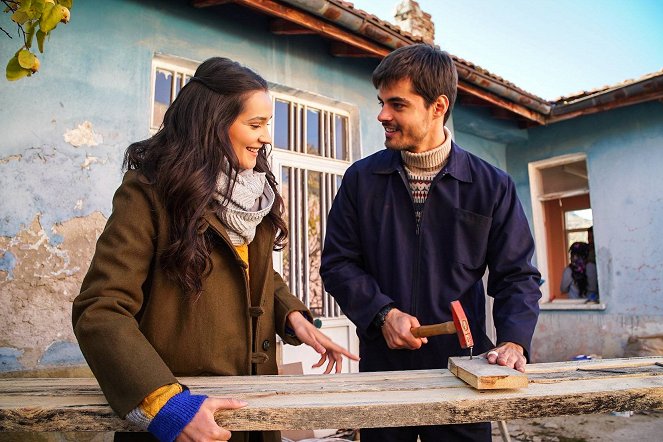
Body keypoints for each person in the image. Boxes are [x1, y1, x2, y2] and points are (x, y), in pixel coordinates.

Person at [72, 57, 358, 442]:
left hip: (255, 414)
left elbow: (254, 276)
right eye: (255, 125)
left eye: (267, 125)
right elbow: (100, 309)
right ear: (212, 125)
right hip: (189, 418)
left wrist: (293, 317)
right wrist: (168, 406)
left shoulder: (254, 197)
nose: (267, 138)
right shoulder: (150, 194)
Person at [320, 44, 542, 442]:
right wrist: (381, 313)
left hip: (465, 371)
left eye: (397, 104)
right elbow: (338, 263)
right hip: (383, 374)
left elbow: (517, 276)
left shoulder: (491, 186)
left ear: (437, 106)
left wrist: (513, 341)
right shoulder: (361, 180)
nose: (383, 115)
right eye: (382, 102)